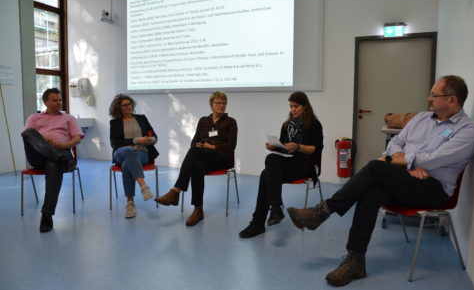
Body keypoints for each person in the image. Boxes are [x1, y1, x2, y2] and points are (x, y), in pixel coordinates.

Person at [287, 75, 474, 286]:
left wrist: (402, 162)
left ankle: (322, 212)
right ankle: (355, 260)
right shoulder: (421, 119)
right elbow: (396, 142)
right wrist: (408, 164)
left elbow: (438, 159)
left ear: (451, 99)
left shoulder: (468, 129)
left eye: (434, 94)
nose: (429, 98)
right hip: (408, 179)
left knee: (377, 166)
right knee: (372, 193)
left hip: (435, 189)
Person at [239, 92, 323, 238]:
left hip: (306, 164)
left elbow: (315, 149)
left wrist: (297, 146)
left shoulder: (314, 125)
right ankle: (275, 208)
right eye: (291, 106)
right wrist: (275, 147)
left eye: (296, 106)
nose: (293, 110)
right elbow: (284, 148)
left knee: (266, 175)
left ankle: (260, 222)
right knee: (271, 159)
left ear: (305, 107)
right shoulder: (286, 125)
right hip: (289, 161)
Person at [155, 91, 237, 226]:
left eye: (224, 103)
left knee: (195, 153)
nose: (221, 106)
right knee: (197, 165)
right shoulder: (204, 121)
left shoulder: (231, 122)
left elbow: (231, 145)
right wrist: (199, 146)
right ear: (211, 104)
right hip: (203, 157)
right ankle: (198, 209)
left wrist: (212, 147)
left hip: (222, 158)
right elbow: (194, 141)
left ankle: (175, 191)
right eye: (218, 103)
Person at [21, 88, 84, 233]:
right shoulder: (34, 117)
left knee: (53, 165)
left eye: (60, 100)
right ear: (45, 102)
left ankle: (46, 216)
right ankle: (61, 160)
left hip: (62, 150)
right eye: (55, 100)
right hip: (38, 155)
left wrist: (64, 145)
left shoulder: (69, 118)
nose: (59, 103)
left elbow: (76, 139)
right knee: (29, 132)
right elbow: (27, 136)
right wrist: (44, 139)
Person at [109, 94, 159, 218]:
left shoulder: (141, 118)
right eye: (124, 105)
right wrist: (136, 140)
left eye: (130, 104)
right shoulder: (115, 123)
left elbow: (154, 136)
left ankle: (130, 203)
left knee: (127, 165)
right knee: (128, 152)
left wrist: (150, 140)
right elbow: (115, 143)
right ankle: (143, 185)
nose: (128, 107)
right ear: (118, 108)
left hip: (141, 152)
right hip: (121, 152)